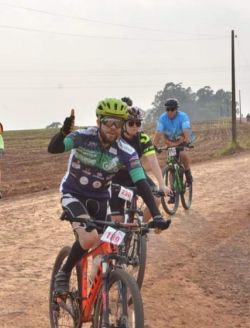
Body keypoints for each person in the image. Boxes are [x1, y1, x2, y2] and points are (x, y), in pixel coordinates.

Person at [48, 98, 171, 294]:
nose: (113, 128)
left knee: (112, 241)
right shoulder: (83, 137)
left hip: (100, 199)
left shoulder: (126, 152)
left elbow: (141, 182)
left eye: (118, 123)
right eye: (108, 122)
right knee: (89, 238)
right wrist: (63, 132)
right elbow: (54, 148)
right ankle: (63, 273)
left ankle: (100, 296)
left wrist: (156, 214)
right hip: (74, 194)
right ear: (98, 122)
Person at [110, 106, 171, 222]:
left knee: (156, 199)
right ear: (123, 124)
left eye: (138, 123)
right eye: (131, 123)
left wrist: (162, 184)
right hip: (117, 177)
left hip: (137, 174)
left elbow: (153, 161)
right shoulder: (116, 138)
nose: (134, 126)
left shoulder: (143, 138)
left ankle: (139, 228)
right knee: (117, 220)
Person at [152, 98, 196, 188]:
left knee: (183, 154)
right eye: (168, 109)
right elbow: (158, 133)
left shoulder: (183, 116)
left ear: (176, 109)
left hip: (182, 139)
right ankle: (172, 190)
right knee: (171, 163)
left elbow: (186, 130)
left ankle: (188, 173)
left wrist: (187, 142)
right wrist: (153, 146)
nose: (170, 112)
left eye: (172, 109)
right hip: (170, 141)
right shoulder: (162, 118)